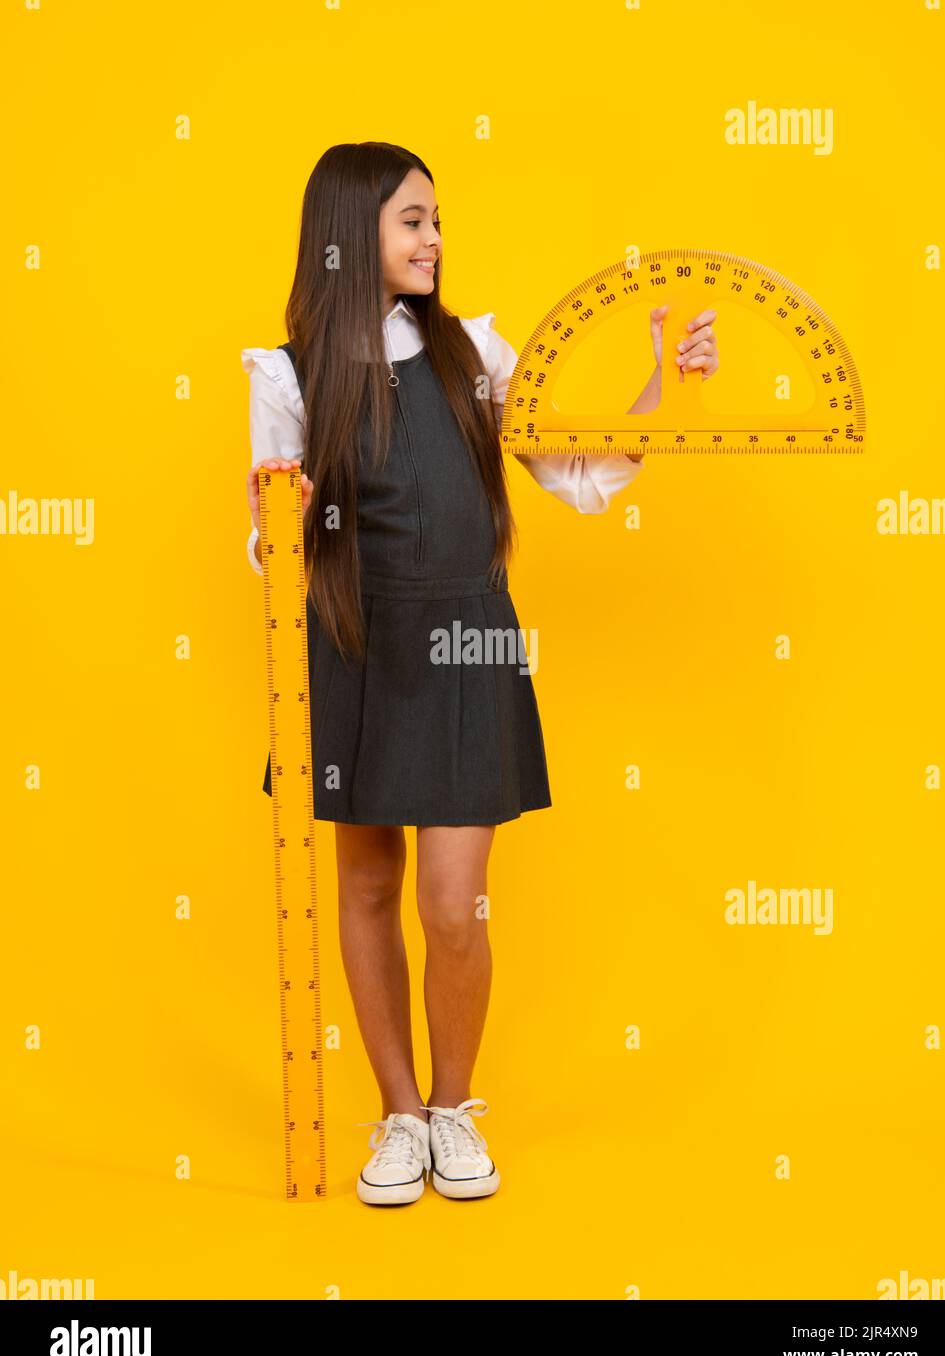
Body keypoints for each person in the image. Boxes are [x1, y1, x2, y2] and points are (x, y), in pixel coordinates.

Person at [242, 142, 720, 1206]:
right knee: (367, 887)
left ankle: (454, 1111)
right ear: (347, 232)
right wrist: (281, 513)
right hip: (350, 645)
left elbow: (578, 474)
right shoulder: (284, 375)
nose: (433, 238)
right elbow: (268, 550)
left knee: (454, 908)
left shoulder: (476, 354)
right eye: (412, 220)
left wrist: (666, 384)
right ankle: (397, 1117)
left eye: (437, 219)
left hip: (468, 643)